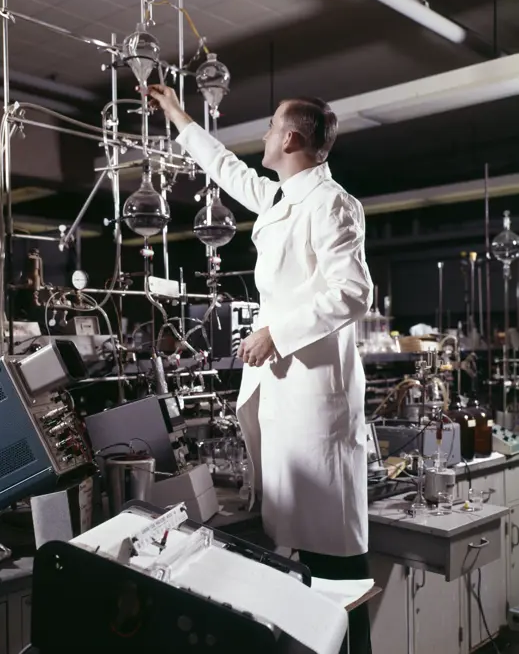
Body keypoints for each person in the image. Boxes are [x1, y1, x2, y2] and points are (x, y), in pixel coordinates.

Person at [147, 84, 374, 654]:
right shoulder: (280, 199)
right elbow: (225, 168)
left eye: (273, 126)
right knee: (305, 577)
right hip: (285, 402)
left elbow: (353, 290)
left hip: (315, 407)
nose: (266, 135)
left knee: (337, 578)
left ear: (292, 138)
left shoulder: (331, 203)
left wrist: (277, 332)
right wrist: (177, 115)